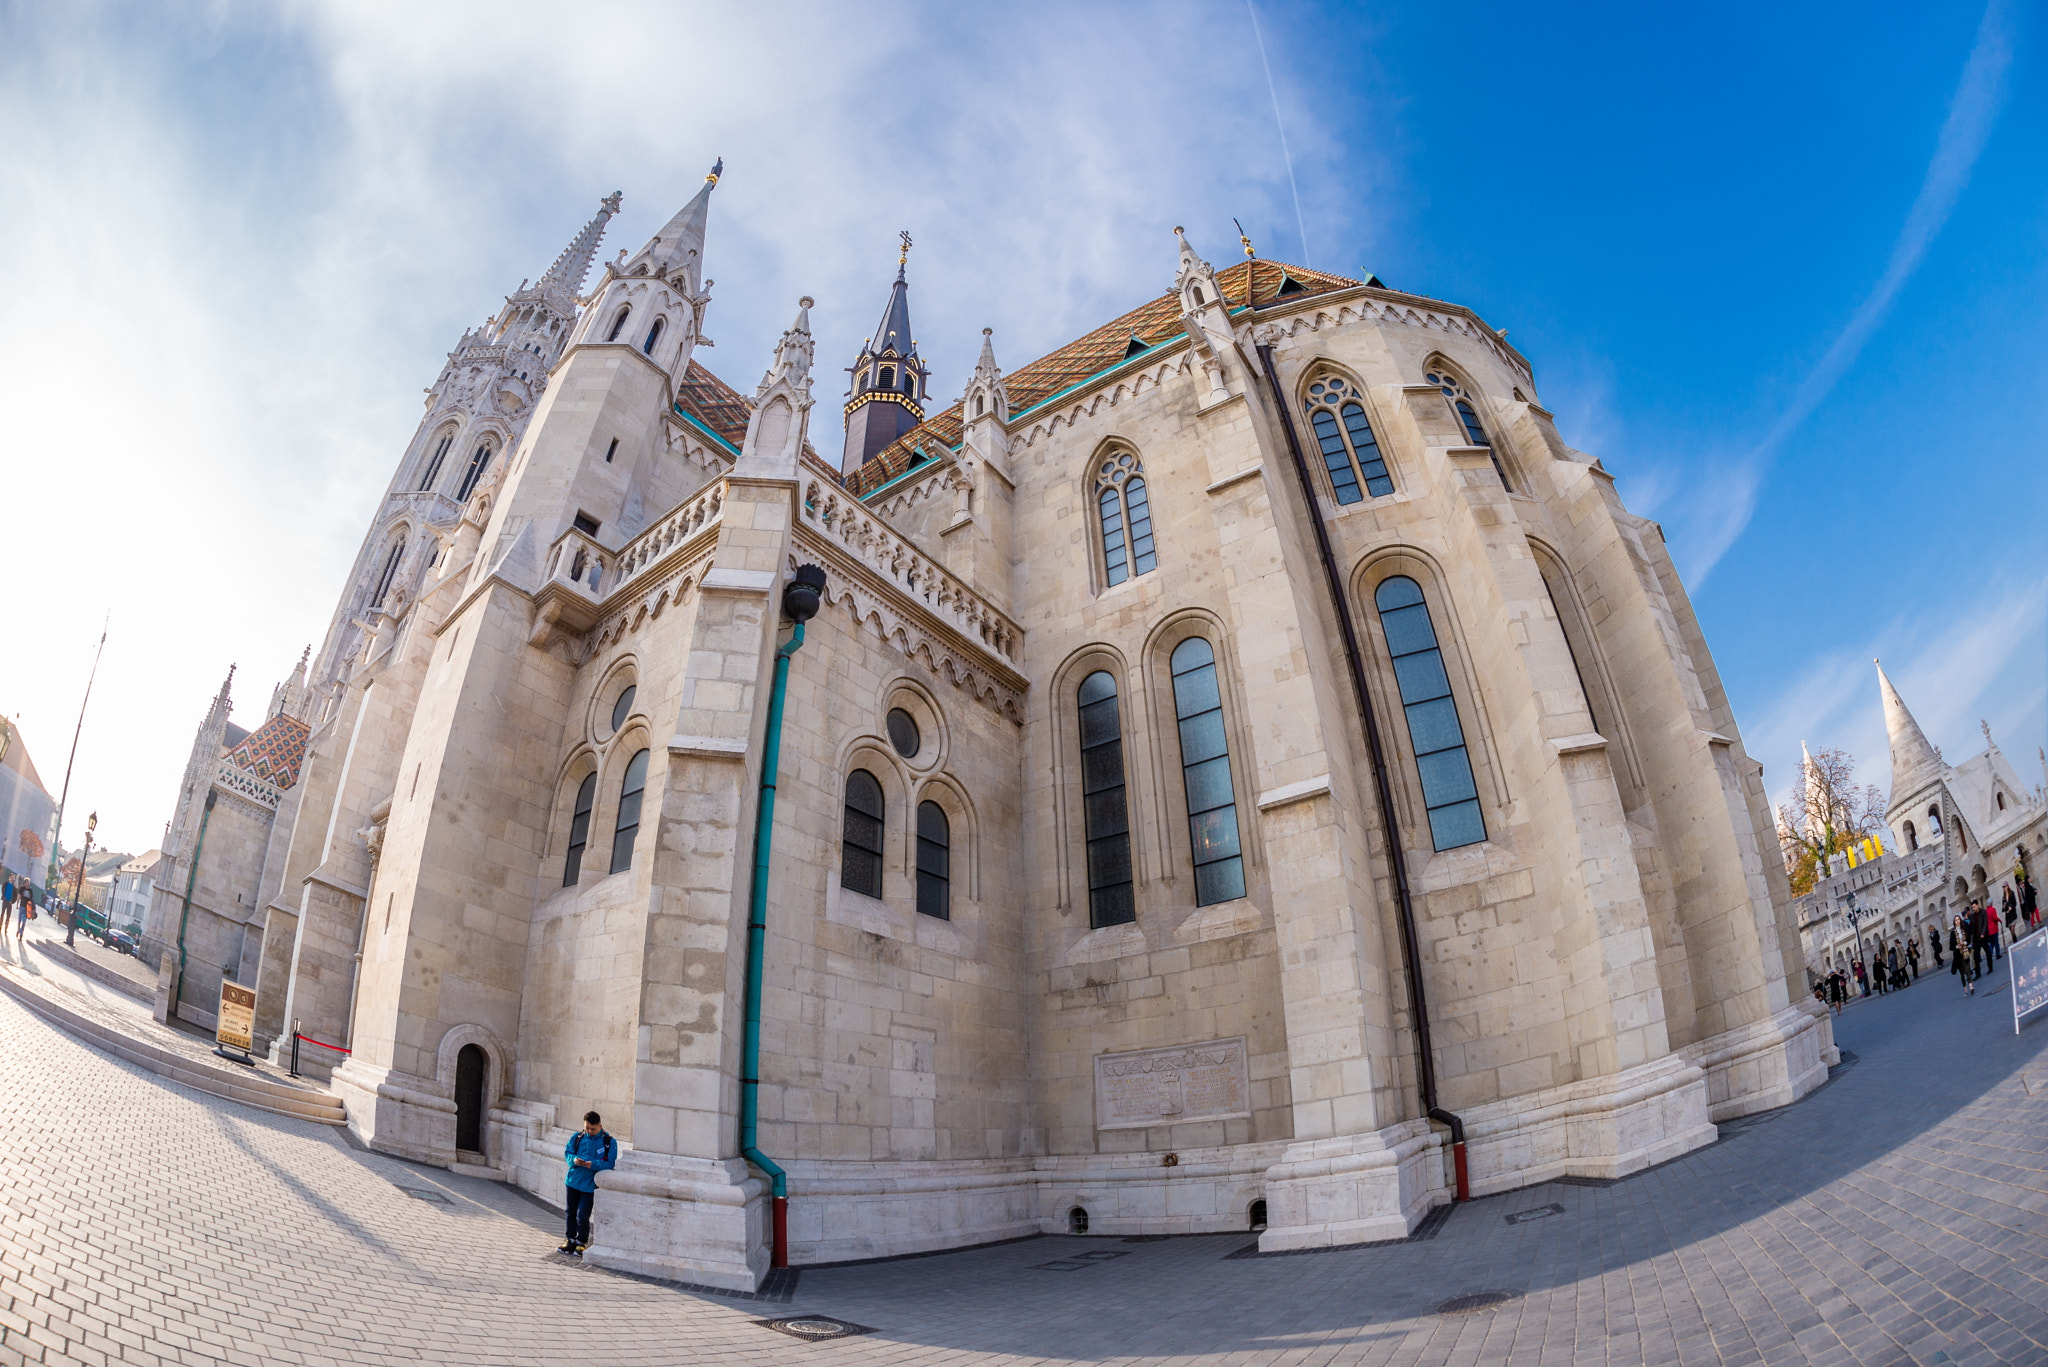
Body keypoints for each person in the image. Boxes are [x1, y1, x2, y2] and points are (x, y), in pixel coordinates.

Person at [560, 1110, 616, 1256]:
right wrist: (574, 1160)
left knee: (582, 1215)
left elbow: (610, 1163)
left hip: (590, 1186)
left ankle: (581, 1242)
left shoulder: (609, 1142)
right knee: (570, 1211)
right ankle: (570, 1239)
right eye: (587, 1128)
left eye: (593, 1129)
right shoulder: (577, 1137)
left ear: (600, 1126)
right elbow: (568, 1153)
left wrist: (594, 1164)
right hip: (573, 1181)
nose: (589, 1131)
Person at [1952, 921, 1975, 997]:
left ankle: (1971, 986)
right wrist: (1957, 946)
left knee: (1967, 970)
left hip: (1965, 953)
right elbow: (1951, 947)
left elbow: (1968, 941)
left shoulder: (1963, 931)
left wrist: (1964, 943)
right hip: (1958, 956)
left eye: (1958, 920)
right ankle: (1965, 990)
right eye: (1956, 920)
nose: (1957, 921)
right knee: (1962, 973)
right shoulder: (1952, 933)